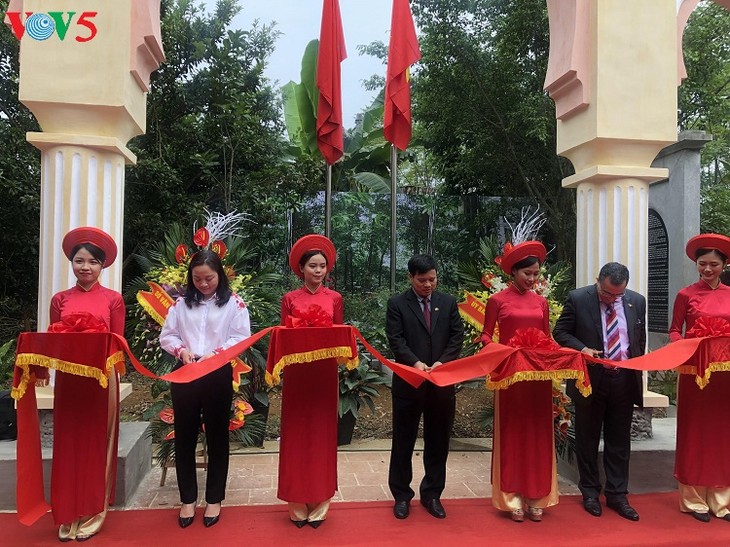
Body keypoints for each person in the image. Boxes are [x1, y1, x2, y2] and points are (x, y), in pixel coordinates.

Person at [160, 249, 251, 529]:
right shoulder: (180, 304)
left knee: (217, 436)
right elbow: (168, 334)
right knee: (184, 436)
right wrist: (182, 350)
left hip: (217, 373)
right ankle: (188, 499)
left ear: (219, 276)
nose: (203, 284)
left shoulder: (234, 304)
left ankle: (214, 498)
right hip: (186, 372)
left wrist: (218, 353)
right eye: (198, 279)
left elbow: (241, 337)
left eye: (209, 278)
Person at [45, 227, 125, 542]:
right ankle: (68, 511)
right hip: (68, 381)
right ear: (71, 263)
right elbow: (53, 340)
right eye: (79, 260)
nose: (85, 267)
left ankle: (94, 510)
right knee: (68, 442)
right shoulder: (60, 299)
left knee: (97, 443)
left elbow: (118, 343)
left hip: (102, 381)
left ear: (102, 266)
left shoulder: (113, 300)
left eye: (92, 261)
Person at [553, 262, 645, 521]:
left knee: (619, 441)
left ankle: (617, 495)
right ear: (598, 281)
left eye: (618, 295)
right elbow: (560, 332)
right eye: (607, 293)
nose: (612, 299)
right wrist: (582, 349)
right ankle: (590, 493)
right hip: (590, 379)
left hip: (624, 380)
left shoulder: (636, 301)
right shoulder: (578, 298)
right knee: (587, 438)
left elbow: (638, 340)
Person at [480, 240, 558, 522]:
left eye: (537, 274)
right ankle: (511, 498)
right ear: (513, 273)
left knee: (538, 432)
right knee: (511, 432)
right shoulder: (497, 301)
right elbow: (487, 335)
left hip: (538, 377)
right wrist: (498, 351)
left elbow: (547, 338)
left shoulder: (541, 302)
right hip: (510, 376)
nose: (533, 279)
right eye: (528, 274)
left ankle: (537, 496)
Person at [386, 254, 464, 520]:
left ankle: (432, 494)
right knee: (403, 440)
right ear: (411, 278)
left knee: (438, 441)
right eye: (422, 280)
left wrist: (443, 362)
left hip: (441, 384)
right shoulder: (397, 304)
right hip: (410, 382)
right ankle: (401, 496)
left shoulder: (448, 302)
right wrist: (416, 363)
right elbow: (396, 340)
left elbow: (457, 337)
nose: (428, 285)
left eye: (432, 279)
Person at [277, 234, 343, 528]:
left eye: (323, 266)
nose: (318, 271)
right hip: (297, 374)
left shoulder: (335, 299)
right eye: (313, 266)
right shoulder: (290, 299)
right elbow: (283, 336)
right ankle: (296, 502)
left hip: (325, 373)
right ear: (301, 269)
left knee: (322, 433)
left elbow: (340, 335)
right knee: (296, 433)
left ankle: (320, 501)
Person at [668, 233, 730, 523]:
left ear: (723, 265)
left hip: (724, 377)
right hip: (694, 375)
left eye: (713, 265)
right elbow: (674, 330)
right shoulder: (685, 295)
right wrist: (682, 347)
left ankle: (721, 500)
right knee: (695, 433)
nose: (707, 270)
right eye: (702, 264)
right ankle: (693, 499)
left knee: (722, 434)